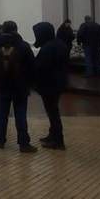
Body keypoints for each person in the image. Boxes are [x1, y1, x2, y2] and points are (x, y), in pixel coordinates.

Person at [0, 20, 36, 153]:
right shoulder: (23, 45)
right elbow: (31, 65)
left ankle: (0, 140)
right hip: (20, 86)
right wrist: (28, 81)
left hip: (2, 84)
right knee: (20, 114)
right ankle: (24, 143)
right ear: (16, 29)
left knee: (2, 113)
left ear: (3, 30)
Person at [33, 22, 69, 150]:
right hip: (57, 83)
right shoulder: (59, 44)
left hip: (49, 85)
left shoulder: (48, 48)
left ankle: (58, 140)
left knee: (53, 112)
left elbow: (41, 66)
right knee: (53, 111)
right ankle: (53, 135)